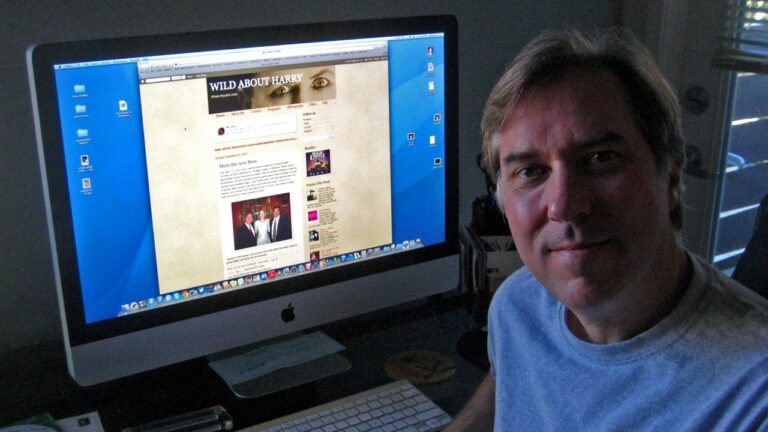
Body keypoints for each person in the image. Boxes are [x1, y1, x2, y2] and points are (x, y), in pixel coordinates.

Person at [445, 28, 768, 431]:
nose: (564, 206)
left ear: (670, 175)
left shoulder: (754, 395)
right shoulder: (518, 308)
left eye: (601, 159)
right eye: (530, 171)